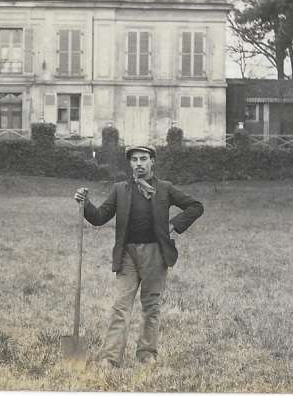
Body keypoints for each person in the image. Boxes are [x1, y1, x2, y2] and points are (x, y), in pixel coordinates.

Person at [74, 145, 203, 368]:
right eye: (134, 160)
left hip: (155, 254)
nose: (139, 164)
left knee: (151, 306)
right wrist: (84, 204)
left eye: (144, 159)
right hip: (127, 255)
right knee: (120, 306)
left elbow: (195, 206)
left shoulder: (165, 188)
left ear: (153, 162)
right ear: (130, 164)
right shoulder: (120, 190)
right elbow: (99, 217)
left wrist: (174, 225)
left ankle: (147, 354)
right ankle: (110, 358)